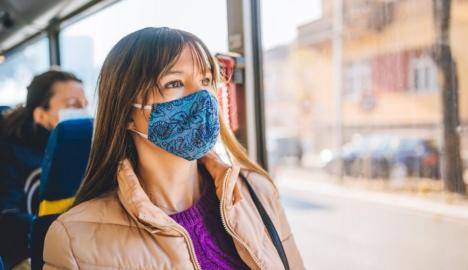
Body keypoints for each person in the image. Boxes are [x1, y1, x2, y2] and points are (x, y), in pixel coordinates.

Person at [43, 27, 304, 270]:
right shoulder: (74, 240)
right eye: (174, 83)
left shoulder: (258, 192)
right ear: (126, 114)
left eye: (206, 80)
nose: (202, 97)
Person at [0, 70, 87, 269]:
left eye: (85, 105)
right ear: (40, 114)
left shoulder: (81, 150)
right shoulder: (7, 151)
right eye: (73, 105)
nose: (83, 112)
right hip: (23, 252)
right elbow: (7, 216)